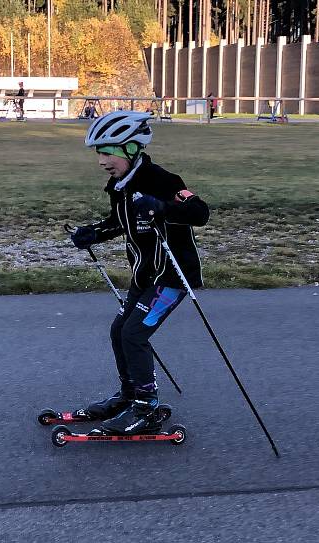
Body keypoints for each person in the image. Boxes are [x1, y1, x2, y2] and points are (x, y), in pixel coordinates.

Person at [70, 111, 210, 435]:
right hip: (145, 275)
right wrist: (93, 232)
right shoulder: (119, 185)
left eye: (108, 152)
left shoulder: (163, 181)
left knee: (134, 334)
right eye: (99, 153)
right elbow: (122, 221)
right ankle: (129, 396)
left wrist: (163, 207)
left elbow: (200, 213)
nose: (102, 161)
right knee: (120, 330)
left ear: (131, 148)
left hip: (172, 277)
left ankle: (146, 408)